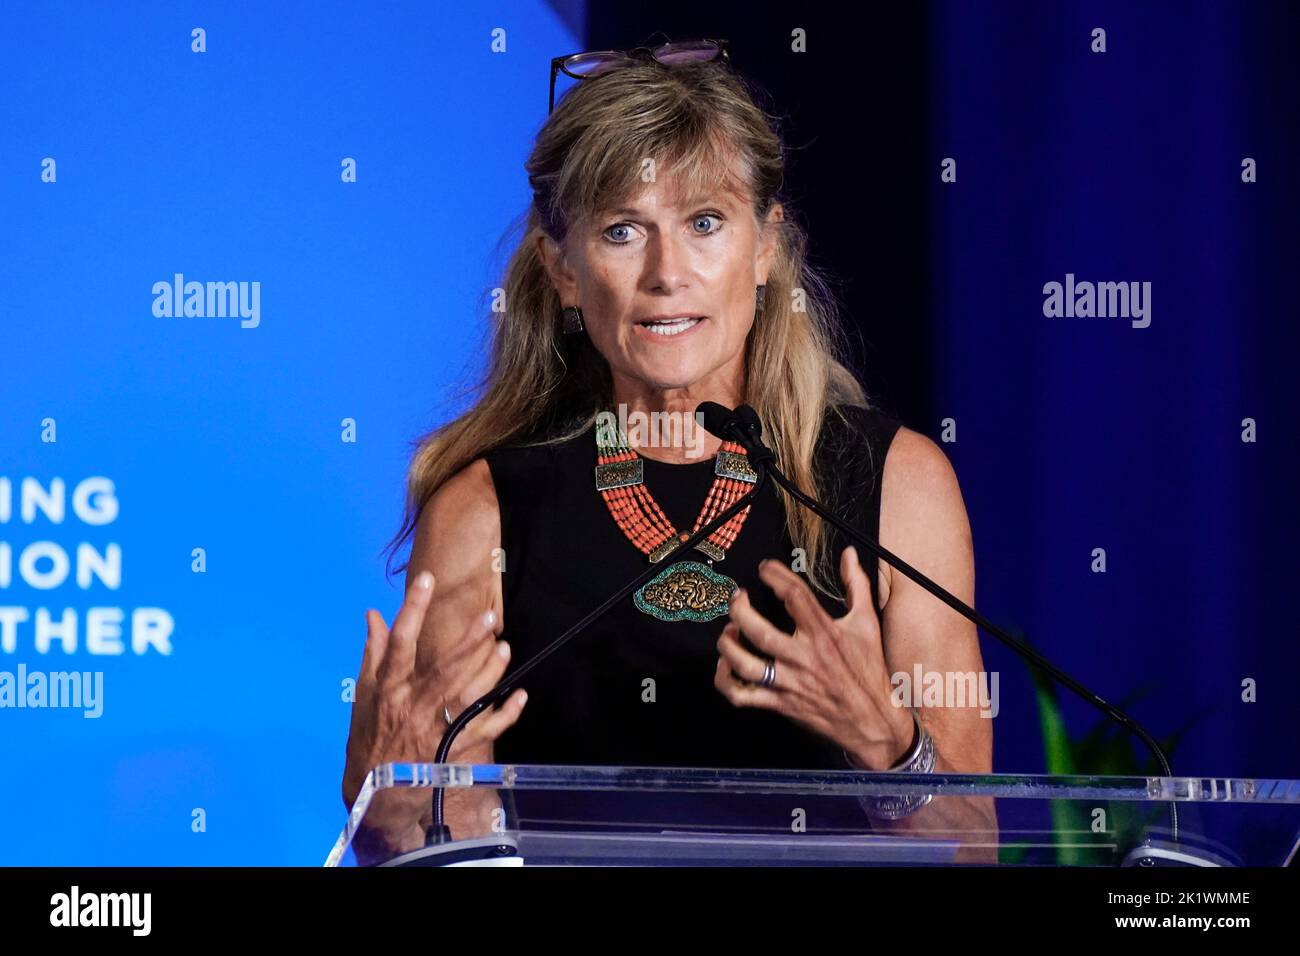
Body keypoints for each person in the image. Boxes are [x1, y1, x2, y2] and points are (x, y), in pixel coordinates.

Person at [343, 40, 995, 865]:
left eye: (705, 223)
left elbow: (978, 849)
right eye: (623, 231)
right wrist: (395, 817)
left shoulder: (897, 483)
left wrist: (890, 748)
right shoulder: (486, 511)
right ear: (564, 269)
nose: (667, 274)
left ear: (764, 248)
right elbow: (441, 847)